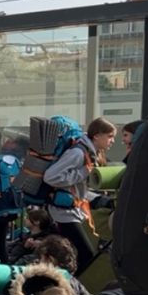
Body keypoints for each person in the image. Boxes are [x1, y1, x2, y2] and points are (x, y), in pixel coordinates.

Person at [44, 117, 114, 274]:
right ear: (96, 136)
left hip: (73, 211)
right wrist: (82, 173)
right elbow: (50, 177)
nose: (113, 141)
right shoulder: (78, 153)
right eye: (109, 136)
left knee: (68, 254)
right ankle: (69, 288)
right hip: (65, 213)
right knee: (84, 254)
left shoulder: (88, 152)